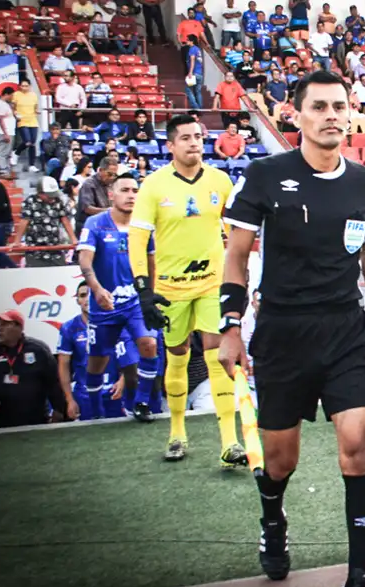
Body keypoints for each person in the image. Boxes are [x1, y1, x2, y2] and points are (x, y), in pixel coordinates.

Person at [218, 70, 365, 587]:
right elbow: (235, 256)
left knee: (359, 442)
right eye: (318, 107)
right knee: (280, 461)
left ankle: (359, 572)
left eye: (339, 106)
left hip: (346, 329)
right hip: (282, 333)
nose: (331, 116)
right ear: (295, 116)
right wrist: (230, 326)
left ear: (351, 113)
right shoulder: (264, 175)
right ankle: (273, 522)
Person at [128, 114, 247, 466]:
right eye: (185, 138)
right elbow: (138, 237)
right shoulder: (154, 184)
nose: (194, 142)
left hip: (212, 284)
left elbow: (238, 227)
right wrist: (142, 289)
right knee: (177, 356)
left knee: (218, 356)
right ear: (170, 145)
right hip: (171, 289)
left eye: (198, 136)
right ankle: (177, 434)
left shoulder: (220, 180)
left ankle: (230, 443)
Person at [76, 173, 161, 422]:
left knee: (150, 344)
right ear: (112, 194)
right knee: (97, 362)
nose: (131, 195)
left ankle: (142, 403)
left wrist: (150, 294)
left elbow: (152, 262)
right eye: (125, 190)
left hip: (135, 302)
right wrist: (96, 288)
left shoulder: (144, 225)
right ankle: (94, 411)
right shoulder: (95, 223)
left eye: (135, 190)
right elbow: (84, 259)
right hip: (105, 305)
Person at [56, 280, 137, 421]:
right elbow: (63, 365)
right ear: (77, 300)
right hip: (84, 395)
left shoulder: (118, 323)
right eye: (82, 295)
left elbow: (130, 355)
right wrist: (69, 399)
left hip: (114, 392)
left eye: (91, 293)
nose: (87, 298)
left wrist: (123, 380)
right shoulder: (69, 328)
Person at [0, 310, 66, 428]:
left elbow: (53, 382)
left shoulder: (39, 350)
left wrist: (59, 409)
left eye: (5, 324)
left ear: (19, 327)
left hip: (37, 421)